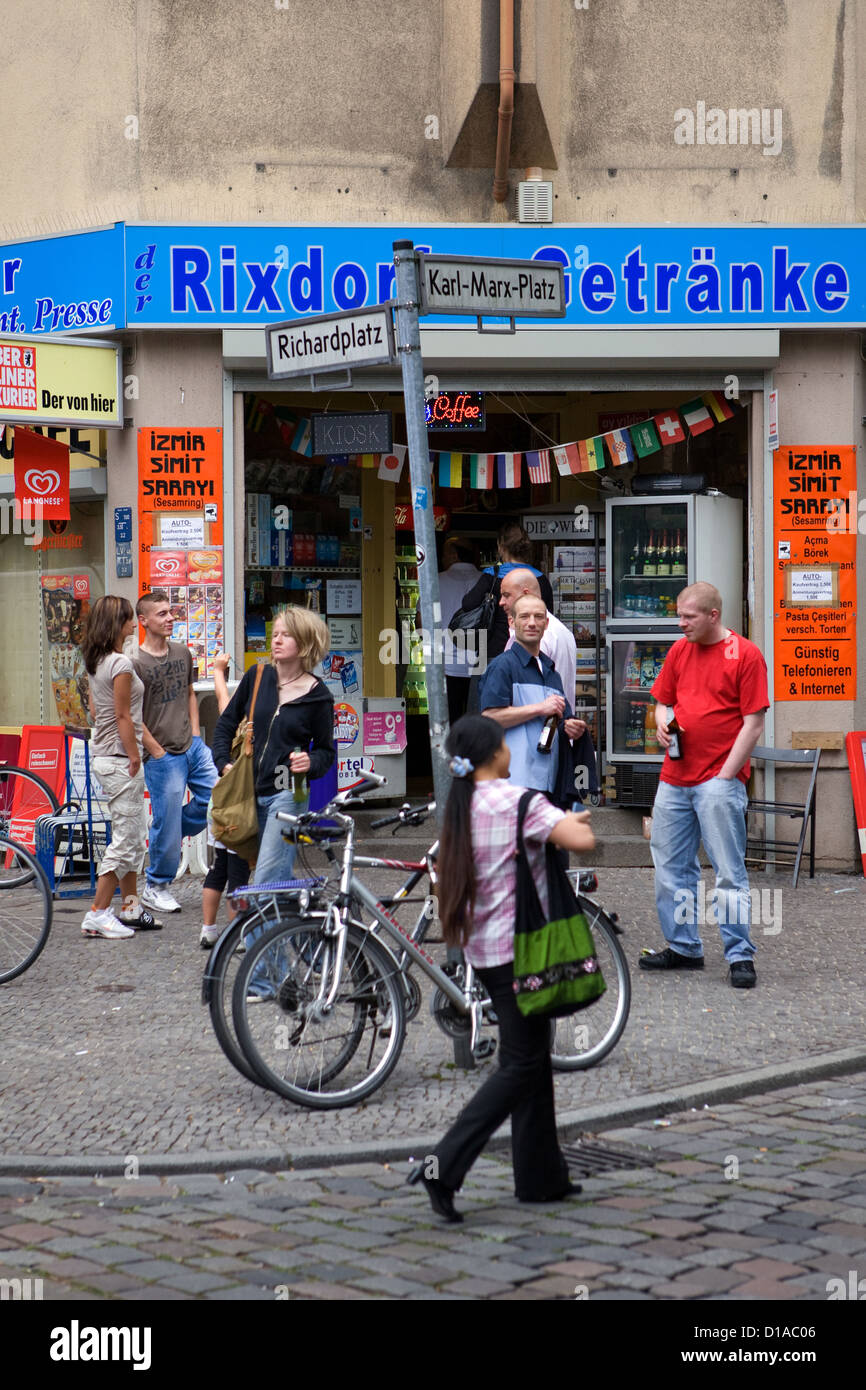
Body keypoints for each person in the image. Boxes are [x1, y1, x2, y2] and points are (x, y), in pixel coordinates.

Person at [407, 714, 595, 1222]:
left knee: (532, 1058)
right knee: (521, 1065)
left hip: (484, 953)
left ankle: (541, 1178)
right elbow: (580, 842)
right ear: (496, 754)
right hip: (522, 951)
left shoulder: (461, 808)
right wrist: (577, 820)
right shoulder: (518, 801)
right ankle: (441, 1166)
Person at [640, 581, 769, 990]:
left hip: (717, 777)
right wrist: (663, 720)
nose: (680, 624)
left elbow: (754, 723)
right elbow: (664, 700)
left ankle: (739, 955)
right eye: (679, 615)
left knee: (728, 871)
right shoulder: (680, 650)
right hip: (675, 776)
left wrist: (727, 775)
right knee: (671, 868)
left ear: (713, 616)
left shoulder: (745, 654)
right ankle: (684, 947)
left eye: (688, 617)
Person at [212, 606, 335, 890]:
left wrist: (310, 762)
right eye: (275, 634)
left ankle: (256, 936)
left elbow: (326, 753)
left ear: (305, 643)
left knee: (267, 879)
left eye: (286, 635)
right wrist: (223, 763)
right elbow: (226, 724)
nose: (276, 640)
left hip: (289, 792)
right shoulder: (257, 677)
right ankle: (308, 921)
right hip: (247, 792)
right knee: (277, 876)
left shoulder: (319, 697)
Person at [79, 596, 162, 938]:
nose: (133, 624)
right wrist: (134, 754)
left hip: (104, 756)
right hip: (118, 758)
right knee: (127, 838)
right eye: (129, 619)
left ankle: (131, 905)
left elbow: (99, 713)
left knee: (129, 832)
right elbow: (124, 716)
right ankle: (98, 911)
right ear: (117, 624)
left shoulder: (97, 662)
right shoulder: (121, 665)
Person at [134, 590, 219, 915]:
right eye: (162, 614)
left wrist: (196, 736)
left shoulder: (183, 653)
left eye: (171, 612)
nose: (170, 618)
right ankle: (156, 885)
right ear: (144, 621)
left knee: (218, 801)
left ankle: (166, 832)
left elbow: (188, 695)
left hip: (192, 747)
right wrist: (154, 750)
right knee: (166, 823)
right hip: (161, 755)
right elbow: (130, 716)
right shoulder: (135, 663)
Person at [479, 592, 589, 806]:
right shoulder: (503, 666)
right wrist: (539, 708)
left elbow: (559, 720)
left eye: (538, 617)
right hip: (513, 782)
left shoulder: (551, 672)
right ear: (512, 622)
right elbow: (489, 717)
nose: (532, 623)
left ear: (546, 624)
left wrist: (572, 726)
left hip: (549, 781)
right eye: (524, 616)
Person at [199, 651, 250, 950]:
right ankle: (238, 935)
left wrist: (219, 670)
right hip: (239, 809)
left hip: (217, 804)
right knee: (238, 873)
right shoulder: (254, 731)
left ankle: (209, 929)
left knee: (218, 868)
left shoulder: (230, 721)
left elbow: (221, 696)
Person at [459, 521, 554, 663]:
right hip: (528, 656)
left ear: (501, 547)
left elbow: (468, 604)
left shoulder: (492, 576)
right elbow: (549, 617)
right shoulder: (541, 580)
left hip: (492, 652)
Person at [500, 568, 577, 712]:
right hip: (556, 724)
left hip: (537, 728)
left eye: (506, 595)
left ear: (526, 594)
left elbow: (528, 692)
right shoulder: (561, 630)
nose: (501, 602)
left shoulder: (534, 634)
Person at [437, 536, 482, 724]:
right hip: (480, 663)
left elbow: (421, 621)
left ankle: (451, 753)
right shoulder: (487, 580)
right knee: (478, 721)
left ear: (455, 555)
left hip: (447, 665)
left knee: (451, 720)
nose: (442, 558)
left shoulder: (436, 581)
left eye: (445, 554)